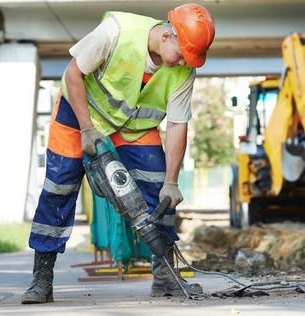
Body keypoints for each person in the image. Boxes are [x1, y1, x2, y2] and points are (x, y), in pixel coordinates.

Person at [21, 3, 215, 304]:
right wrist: (86, 129)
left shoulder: (184, 70)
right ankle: (41, 279)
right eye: (183, 54)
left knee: (159, 189)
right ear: (167, 36)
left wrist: (172, 182)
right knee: (58, 190)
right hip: (79, 114)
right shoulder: (117, 31)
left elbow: (178, 125)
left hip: (133, 126)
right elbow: (73, 74)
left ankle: (165, 276)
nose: (183, 63)